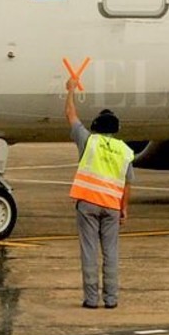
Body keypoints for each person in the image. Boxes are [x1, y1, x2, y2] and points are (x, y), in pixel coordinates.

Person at [64, 77, 134, 309]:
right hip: (112, 206)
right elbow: (127, 182)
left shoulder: (88, 141)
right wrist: (124, 208)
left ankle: (91, 299)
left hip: (88, 204)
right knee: (111, 253)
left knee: (89, 251)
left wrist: (71, 90)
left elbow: (71, 115)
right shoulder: (124, 150)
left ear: (95, 126)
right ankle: (111, 299)